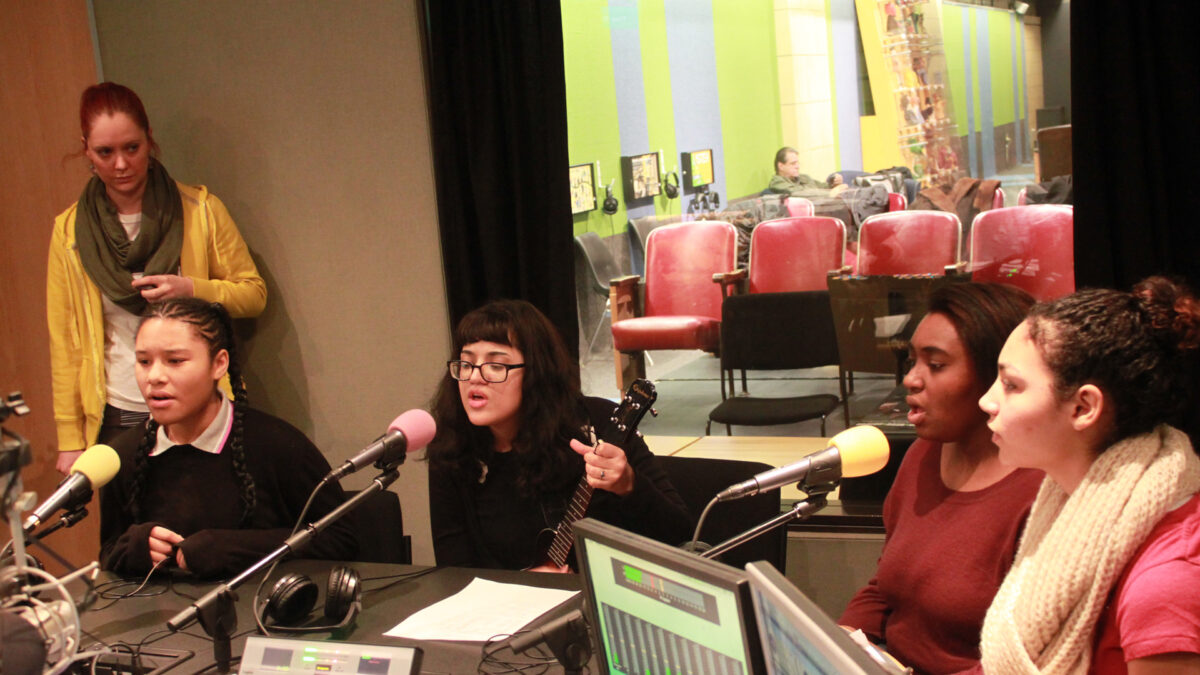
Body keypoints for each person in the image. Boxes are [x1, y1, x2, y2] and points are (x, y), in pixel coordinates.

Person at [978, 277, 1200, 673]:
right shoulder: (1067, 502)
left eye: (1011, 385)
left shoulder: (1165, 582)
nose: (987, 401)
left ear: (1083, 408)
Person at [48, 82, 267, 475]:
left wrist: (191, 289)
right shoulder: (69, 233)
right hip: (121, 413)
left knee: (209, 531)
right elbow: (64, 340)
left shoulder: (199, 210)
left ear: (149, 141)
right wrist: (70, 438)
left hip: (202, 410)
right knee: (132, 536)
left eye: (131, 148)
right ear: (87, 151)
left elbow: (253, 295)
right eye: (105, 152)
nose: (120, 164)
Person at [839, 282, 1043, 674]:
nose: (911, 380)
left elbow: (1031, 658)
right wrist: (836, 641)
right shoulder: (922, 455)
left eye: (935, 365)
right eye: (911, 361)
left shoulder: (1041, 491)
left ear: (997, 378)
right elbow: (885, 586)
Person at [426, 299, 692, 571]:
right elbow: (453, 569)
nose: (474, 377)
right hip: (508, 610)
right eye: (466, 363)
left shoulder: (599, 425)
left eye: (496, 365)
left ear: (536, 372)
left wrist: (629, 486)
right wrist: (524, 586)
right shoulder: (451, 449)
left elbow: (679, 533)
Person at [99, 298, 356, 578]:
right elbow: (109, 552)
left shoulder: (278, 446)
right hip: (159, 615)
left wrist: (233, 548)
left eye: (175, 361)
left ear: (219, 364)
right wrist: (136, 547)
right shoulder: (123, 455)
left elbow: (341, 540)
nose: (155, 376)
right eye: (144, 362)